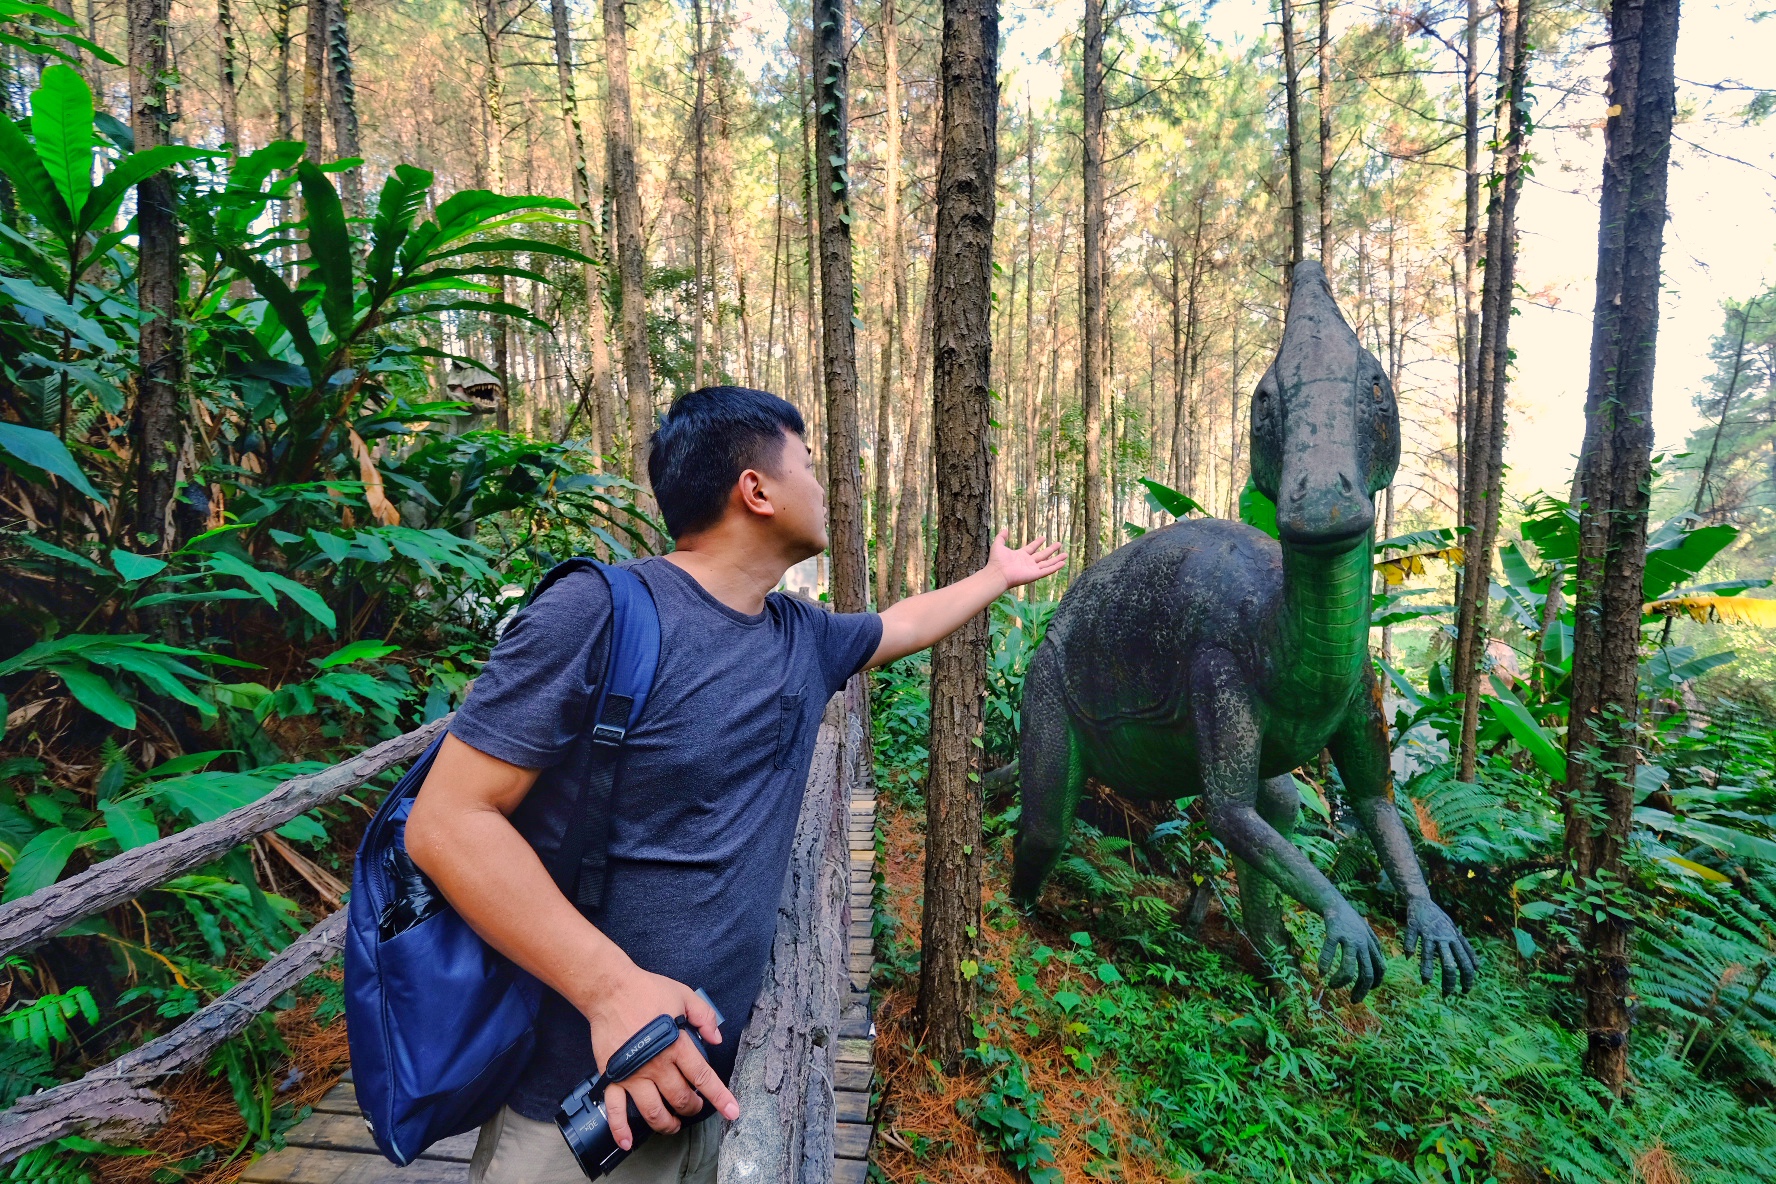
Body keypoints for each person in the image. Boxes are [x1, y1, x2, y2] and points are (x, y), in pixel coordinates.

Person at [405, 386, 1064, 1184]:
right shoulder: (599, 612)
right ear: (756, 490)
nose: (822, 484)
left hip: (707, 1094)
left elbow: (905, 623)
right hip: (575, 1107)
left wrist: (997, 575)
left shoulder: (800, 636)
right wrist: (612, 992)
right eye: (809, 465)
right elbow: (447, 822)